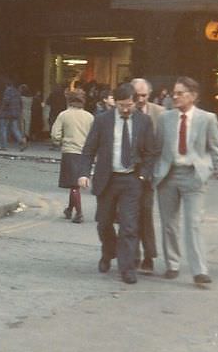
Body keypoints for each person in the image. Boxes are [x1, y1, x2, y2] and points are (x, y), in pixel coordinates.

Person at [78, 83, 156, 285]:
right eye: (122, 105)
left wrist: (143, 176)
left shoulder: (144, 121)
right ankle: (108, 251)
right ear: (114, 103)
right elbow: (89, 149)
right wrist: (84, 173)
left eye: (129, 104)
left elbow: (150, 153)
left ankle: (127, 268)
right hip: (108, 179)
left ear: (134, 101)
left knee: (129, 226)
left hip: (132, 180)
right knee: (103, 223)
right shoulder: (102, 120)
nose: (126, 109)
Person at [153, 76, 218, 286]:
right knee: (169, 224)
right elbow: (158, 147)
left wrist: (206, 169)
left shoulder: (207, 119)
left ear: (193, 96)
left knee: (193, 224)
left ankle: (199, 270)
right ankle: (172, 264)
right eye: (174, 92)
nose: (175, 96)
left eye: (180, 93)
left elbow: (216, 150)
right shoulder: (166, 118)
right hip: (169, 175)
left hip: (193, 175)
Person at [131, 78, 166, 273]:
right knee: (129, 216)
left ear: (150, 95)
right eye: (137, 95)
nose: (141, 99)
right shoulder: (126, 110)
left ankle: (149, 256)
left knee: (145, 213)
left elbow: (163, 145)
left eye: (144, 95)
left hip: (149, 173)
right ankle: (133, 255)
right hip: (129, 172)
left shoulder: (160, 114)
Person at [50, 89, 94, 223]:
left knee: (74, 184)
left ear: (69, 100)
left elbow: (55, 135)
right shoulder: (90, 116)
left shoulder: (64, 115)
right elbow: (94, 135)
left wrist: (59, 142)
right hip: (85, 154)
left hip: (70, 152)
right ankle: (69, 209)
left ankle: (79, 213)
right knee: (75, 184)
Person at [0, 80, 27, 151]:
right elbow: (20, 103)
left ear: (6, 85)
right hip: (15, 113)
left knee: (3, 129)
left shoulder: (7, 91)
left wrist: (1, 110)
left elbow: (6, 101)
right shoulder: (17, 92)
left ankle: (3, 146)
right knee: (15, 128)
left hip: (6, 113)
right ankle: (21, 141)